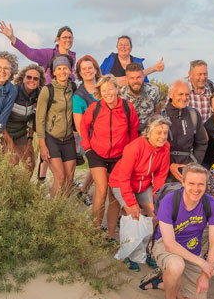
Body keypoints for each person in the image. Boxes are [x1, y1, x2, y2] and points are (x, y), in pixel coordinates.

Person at [146, 163, 214, 299]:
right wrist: (203, 263)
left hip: (193, 250)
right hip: (165, 245)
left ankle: (165, 282)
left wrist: (205, 275)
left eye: (201, 184)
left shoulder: (210, 204)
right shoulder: (170, 201)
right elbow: (169, 245)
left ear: (206, 185)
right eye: (191, 184)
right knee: (176, 264)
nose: (196, 189)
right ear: (183, 183)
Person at [79, 74, 139, 240]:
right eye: (103, 90)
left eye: (109, 89)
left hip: (120, 157)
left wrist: (130, 155)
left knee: (114, 195)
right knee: (102, 188)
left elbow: (134, 132)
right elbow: (83, 127)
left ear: (116, 89)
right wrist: (87, 148)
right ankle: (96, 231)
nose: (107, 93)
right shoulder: (96, 108)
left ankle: (111, 235)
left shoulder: (127, 108)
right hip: (97, 154)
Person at [109, 115, 172, 239]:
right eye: (159, 133)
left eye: (165, 133)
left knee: (155, 214)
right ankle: (131, 250)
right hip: (120, 182)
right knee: (134, 214)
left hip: (143, 184)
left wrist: (156, 198)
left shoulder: (166, 147)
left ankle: (146, 246)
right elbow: (124, 178)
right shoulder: (134, 148)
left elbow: (160, 175)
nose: (163, 137)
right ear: (148, 133)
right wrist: (132, 203)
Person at [35, 55, 77, 197]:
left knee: (69, 180)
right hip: (51, 139)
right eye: (58, 68)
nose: (62, 71)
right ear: (53, 72)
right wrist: (42, 145)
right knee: (60, 178)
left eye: (65, 68)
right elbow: (39, 118)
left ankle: (61, 212)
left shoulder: (73, 88)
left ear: (70, 70)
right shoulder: (48, 90)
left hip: (69, 139)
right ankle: (51, 212)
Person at [0, 21, 76, 83]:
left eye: (70, 37)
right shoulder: (49, 54)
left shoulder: (72, 57)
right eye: (64, 37)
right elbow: (30, 53)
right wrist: (12, 38)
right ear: (57, 39)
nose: (68, 40)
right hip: (49, 98)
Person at [4, 64, 45, 175]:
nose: (32, 80)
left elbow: (33, 118)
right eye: (29, 77)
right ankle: (5, 190)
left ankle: (21, 190)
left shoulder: (40, 94)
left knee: (30, 164)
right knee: (12, 162)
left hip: (21, 132)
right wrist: (9, 141)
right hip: (3, 132)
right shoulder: (12, 91)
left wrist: (30, 139)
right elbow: (0, 118)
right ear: (23, 78)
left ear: (39, 81)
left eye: (35, 78)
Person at [72, 55, 102, 204]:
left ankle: (82, 192)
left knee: (98, 169)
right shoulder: (78, 96)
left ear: (96, 69)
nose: (87, 71)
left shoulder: (105, 89)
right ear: (79, 72)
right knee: (101, 176)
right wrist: (90, 147)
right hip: (90, 139)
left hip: (110, 137)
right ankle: (97, 216)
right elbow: (79, 126)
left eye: (90, 67)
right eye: (84, 69)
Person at [163, 80, 207, 183]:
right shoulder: (159, 116)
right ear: (171, 94)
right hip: (165, 174)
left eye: (187, 94)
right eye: (180, 94)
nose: (184, 98)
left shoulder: (194, 115)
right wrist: (169, 165)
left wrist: (193, 164)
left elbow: (201, 143)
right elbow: (152, 149)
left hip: (189, 170)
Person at [99, 35, 164, 86]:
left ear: (131, 48)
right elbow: (99, 79)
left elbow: (144, 82)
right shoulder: (108, 61)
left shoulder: (137, 63)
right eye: (121, 45)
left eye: (126, 45)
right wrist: (153, 69)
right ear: (117, 47)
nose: (123, 47)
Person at [120, 62, 162, 135]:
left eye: (138, 77)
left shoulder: (154, 91)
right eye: (132, 78)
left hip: (149, 134)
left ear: (143, 76)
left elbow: (158, 113)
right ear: (127, 79)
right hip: (128, 135)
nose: (135, 81)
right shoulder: (120, 95)